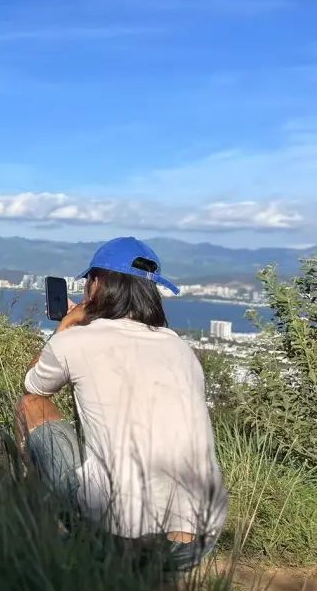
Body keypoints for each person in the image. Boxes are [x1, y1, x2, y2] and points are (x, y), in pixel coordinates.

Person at [16, 237, 228, 572]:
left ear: (96, 284)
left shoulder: (75, 341)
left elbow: (34, 385)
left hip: (120, 534)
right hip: (201, 533)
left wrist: (68, 324)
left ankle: (41, 520)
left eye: (89, 281)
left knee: (32, 404)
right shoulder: (180, 348)